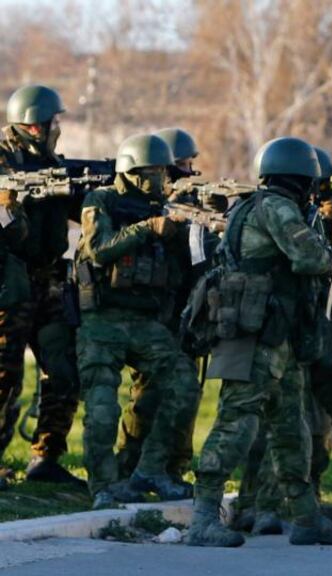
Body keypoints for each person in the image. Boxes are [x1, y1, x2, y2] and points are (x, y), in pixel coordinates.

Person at [186, 137, 332, 547]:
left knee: (290, 429)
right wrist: (329, 252)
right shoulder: (277, 207)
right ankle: (203, 520)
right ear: (300, 178)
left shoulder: (251, 205)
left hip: (276, 337)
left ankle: (306, 518)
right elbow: (310, 258)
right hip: (258, 337)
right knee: (237, 423)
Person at [76, 133, 200, 508]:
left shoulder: (163, 207)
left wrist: (182, 231)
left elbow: (185, 269)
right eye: (156, 171)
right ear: (133, 171)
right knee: (101, 407)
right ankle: (103, 487)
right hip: (102, 320)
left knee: (183, 384)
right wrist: (147, 227)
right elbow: (98, 251)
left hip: (146, 322)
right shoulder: (101, 201)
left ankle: (150, 469)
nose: (164, 177)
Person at [0, 85, 84, 489]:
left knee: (63, 369)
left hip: (48, 281)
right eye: (54, 122)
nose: (57, 128)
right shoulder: (3, 161)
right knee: (4, 373)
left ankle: (46, 457)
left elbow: (78, 213)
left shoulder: (52, 163)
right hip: (9, 285)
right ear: (35, 125)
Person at [115, 127, 205, 485]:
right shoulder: (144, 206)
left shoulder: (191, 201)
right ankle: (129, 463)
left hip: (186, 309)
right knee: (148, 394)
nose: (187, 171)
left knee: (186, 391)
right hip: (156, 313)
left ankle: (173, 466)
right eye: (180, 164)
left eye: (189, 163)